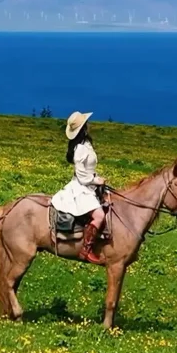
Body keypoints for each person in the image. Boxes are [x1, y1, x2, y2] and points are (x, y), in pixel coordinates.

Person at [51, 111, 109, 263]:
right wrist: (97, 180)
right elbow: (82, 177)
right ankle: (86, 250)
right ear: (83, 127)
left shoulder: (86, 144)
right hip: (81, 187)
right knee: (99, 216)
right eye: (86, 123)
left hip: (89, 185)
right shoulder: (80, 149)